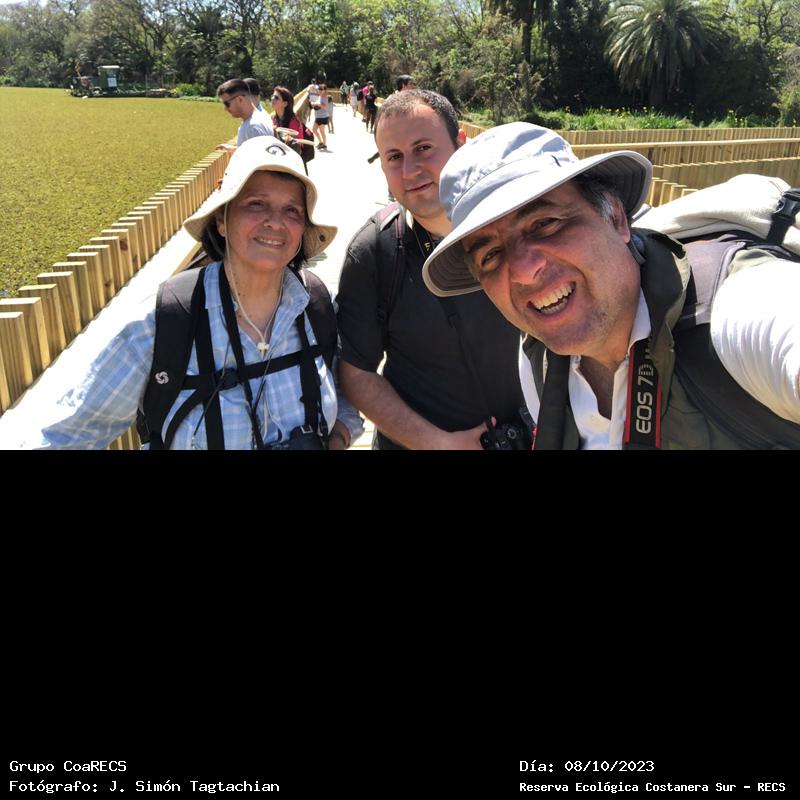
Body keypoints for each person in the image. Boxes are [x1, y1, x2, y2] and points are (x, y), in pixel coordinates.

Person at [422, 122, 800, 449]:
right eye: (491, 255)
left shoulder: (734, 305)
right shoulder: (538, 359)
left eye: (545, 224)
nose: (523, 270)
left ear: (616, 218)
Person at [26, 136, 363, 450]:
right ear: (221, 220)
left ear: (303, 228)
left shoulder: (315, 307)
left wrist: (336, 438)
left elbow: (345, 396)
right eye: (256, 204)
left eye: (292, 210)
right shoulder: (161, 325)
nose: (275, 222)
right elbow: (65, 438)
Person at [336, 90, 525, 450]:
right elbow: (356, 371)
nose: (410, 171)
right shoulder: (375, 250)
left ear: (461, 145)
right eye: (394, 157)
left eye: (423, 148)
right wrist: (438, 443)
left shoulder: (515, 225)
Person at [215, 78, 273, 152]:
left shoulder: (252, 127)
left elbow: (263, 157)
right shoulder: (259, 117)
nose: (225, 109)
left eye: (227, 104)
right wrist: (234, 149)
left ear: (240, 99)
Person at [270, 85, 314, 168]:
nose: (272, 99)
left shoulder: (293, 122)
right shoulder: (274, 118)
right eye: (272, 96)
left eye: (276, 97)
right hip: (282, 157)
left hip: (294, 161)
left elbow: (298, 145)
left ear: (285, 103)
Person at [311, 83, 331, 150]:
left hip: (323, 117)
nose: (320, 90)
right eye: (319, 89)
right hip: (318, 116)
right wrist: (314, 104)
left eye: (321, 89)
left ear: (325, 90)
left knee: (322, 131)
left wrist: (319, 104)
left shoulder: (325, 97)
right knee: (314, 130)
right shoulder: (320, 96)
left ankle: (324, 144)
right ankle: (320, 142)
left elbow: (325, 107)